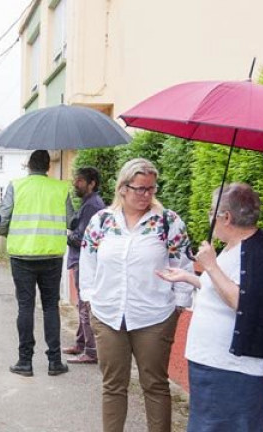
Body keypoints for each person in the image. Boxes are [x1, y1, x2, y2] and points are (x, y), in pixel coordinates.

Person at [156, 183, 263, 432]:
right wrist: (189, 278)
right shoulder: (238, 247)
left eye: (211, 211)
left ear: (226, 217)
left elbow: (245, 303)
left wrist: (211, 266)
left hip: (231, 370)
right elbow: (224, 290)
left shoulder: (257, 252)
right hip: (216, 365)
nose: (209, 216)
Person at [79, 158, 193, 432]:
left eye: (151, 189)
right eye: (140, 188)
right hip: (108, 315)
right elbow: (88, 261)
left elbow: (183, 264)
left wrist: (178, 307)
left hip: (154, 317)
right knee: (113, 385)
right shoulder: (102, 221)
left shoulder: (168, 222)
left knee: (154, 384)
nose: (146, 195)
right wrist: (90, 299)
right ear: (123, 188)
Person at [0, 150, 75, 377]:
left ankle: (25, 362)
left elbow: (3, 218)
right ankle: (54, 362)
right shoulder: (61, 189)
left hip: (22, 256)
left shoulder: (16, 185)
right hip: (51, 256)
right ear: (48, 167)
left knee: (25, 306)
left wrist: (5, 234)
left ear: (29, 166)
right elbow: (71, 220)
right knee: (51, 306)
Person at [63, 166, 106, 364]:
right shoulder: (88, 203)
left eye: (80, 181)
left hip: (85, 262)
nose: (75, 183)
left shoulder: (92, 206)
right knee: (81, 304)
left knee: (85, 306)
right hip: (81, 261)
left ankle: (90, 350)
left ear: (92, 184)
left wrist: (67, 236)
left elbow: (84, 239)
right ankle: (81, 343)